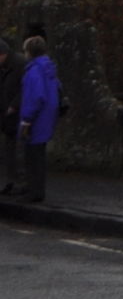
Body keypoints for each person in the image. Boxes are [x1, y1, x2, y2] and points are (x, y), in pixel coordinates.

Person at [13, 35, 57, 203]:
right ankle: (35, 188)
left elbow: (35, 97)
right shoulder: (48, 69)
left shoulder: (34, 71)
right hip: (46, 118)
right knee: (38, 156)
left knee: (32, 156)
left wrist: (27, 119)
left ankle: (34, 191)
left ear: (29, 52)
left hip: (36, 120)